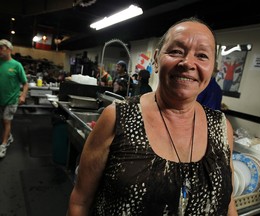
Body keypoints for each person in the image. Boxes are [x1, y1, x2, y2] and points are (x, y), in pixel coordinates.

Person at [67, 17, 238, 216]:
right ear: (156, 60)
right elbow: (80, 201)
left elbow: (228, 203)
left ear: (212, 68)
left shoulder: (221, 127)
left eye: (202, 55)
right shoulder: (117, 117)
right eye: (176, 51)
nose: (188, 63)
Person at [0, 39, 28, 158]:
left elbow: (25, 84)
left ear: (9, 49)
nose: (0, 50)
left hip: (11, 99)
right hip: (1, 99)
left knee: (6, 121)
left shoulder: (17, 65)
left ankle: (3, 145)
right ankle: (9, 136)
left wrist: (22, 95)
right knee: (3, 121)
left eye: (2, 48)